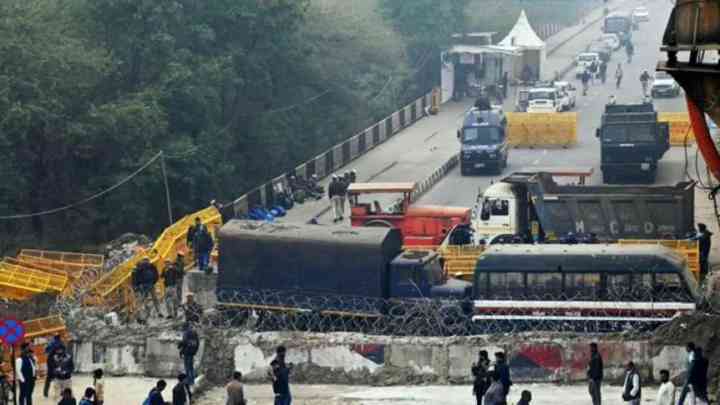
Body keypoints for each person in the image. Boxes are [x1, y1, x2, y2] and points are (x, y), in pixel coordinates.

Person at [133, 257, 163, 322]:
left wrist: (138, 285)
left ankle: (143, 316)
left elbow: (136, 278)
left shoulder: (139, 268)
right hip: (150, 285)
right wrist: (153, 282)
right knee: (154, 299)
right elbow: (156, 275)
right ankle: (158, 312)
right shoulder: (151, 266)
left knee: (143, 301)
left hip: (144, 286)